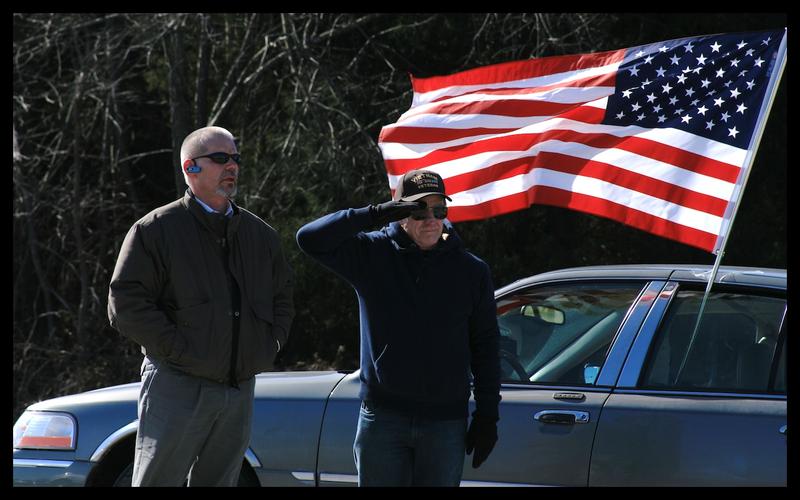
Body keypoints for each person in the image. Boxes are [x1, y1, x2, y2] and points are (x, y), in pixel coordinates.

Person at [107, 126, 295, 486]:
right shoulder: (155, 230)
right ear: (191, 168)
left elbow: (282, 298)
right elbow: (125, 304)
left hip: (238, 387)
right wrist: (179, 351)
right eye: (221, 158)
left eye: (236, 159)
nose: (232, 166)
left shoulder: (261, 236)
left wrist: (267, 346)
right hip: (176, 383)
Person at [296, 169, 501, 486]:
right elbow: (309, 239)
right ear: (399, 211)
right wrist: (374, 213)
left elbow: (485, 345)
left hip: (445, 422)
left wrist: (488, 415)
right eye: (418, 210)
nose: (431, 219)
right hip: (383, 419)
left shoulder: (471, 270)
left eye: (439, 210)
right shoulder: (373, 254)